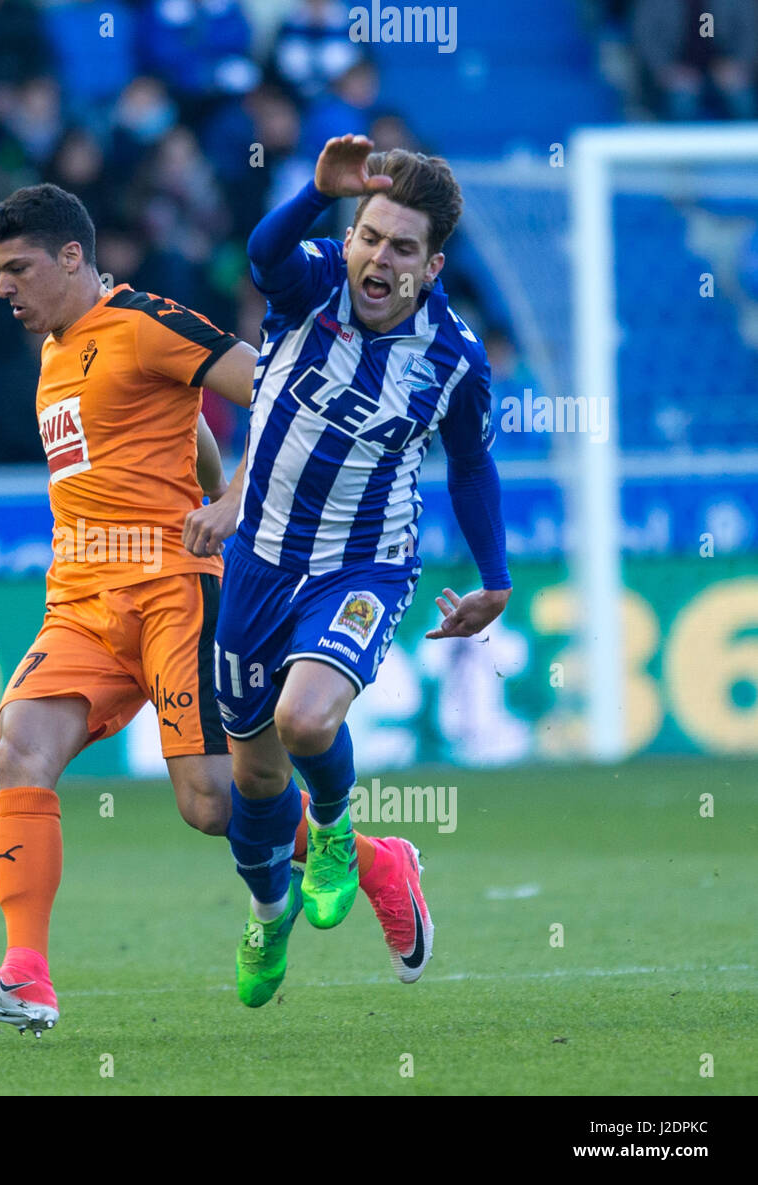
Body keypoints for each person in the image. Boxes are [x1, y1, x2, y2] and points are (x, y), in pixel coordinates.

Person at [0, 182, 423, 1034]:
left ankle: (379, 860)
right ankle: (26, 973)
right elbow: (182, 420)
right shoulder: (54, 351)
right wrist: (205, 471)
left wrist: (234, 499)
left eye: (19, 268)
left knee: (208, 802)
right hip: (80, 600)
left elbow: (279, 393)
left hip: (172, 591)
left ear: (73, 257)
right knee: (20, 750)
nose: (4, 287)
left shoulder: (148, 321)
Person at [205, 135, 511, 1007]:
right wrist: (314, 193)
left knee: (305, 721)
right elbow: (261, 252)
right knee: (253, 782)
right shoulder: (311, 281)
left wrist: (494, 575)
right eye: (369, 235)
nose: (378, 257)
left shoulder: (453, 357)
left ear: (432, 263)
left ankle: (337, 829)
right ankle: (271, 914)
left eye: (401, 247)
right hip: (258, 560)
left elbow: (470, 468)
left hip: (363, 566)